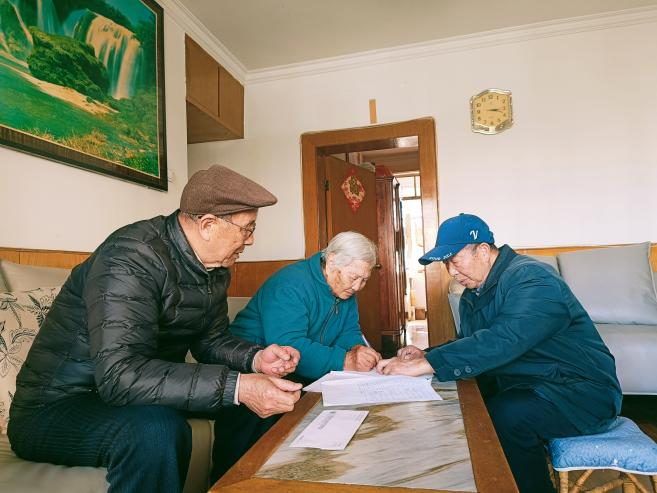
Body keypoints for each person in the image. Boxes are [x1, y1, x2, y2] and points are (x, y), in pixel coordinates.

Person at [8, 165, 303, 493]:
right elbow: (120, 375)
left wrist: (256, 359)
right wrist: (239, 386)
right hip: (59, 405)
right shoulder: (130, 258)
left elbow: (210, 340)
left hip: (139, 394)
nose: (251, 239)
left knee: (269, 398)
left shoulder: (215, 266)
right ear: (208, 225)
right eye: (247, 229)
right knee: (157, 430)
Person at [377, 213, 621, 493]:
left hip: (581, 393)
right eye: (446, 264)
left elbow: (505, 339)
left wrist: (429, 363)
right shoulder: (473, 294)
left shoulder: (533, 278)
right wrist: (424, 354)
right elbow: (472, 343)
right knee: (466, 406)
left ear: (482, 250)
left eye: (455, 260)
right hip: (532, 384)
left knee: (506, 416)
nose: (451, 272)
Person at [211, 231, 382, 480]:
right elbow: (289, 345)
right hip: (248, 367)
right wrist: (345, 360)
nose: (357, 287)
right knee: (250, 449)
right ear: (332, 260)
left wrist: (357, 349)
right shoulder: (291, 283)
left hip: (295, 370)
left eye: (364, 280)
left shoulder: (345, 289)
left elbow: (349, 330)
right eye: (353, 277)